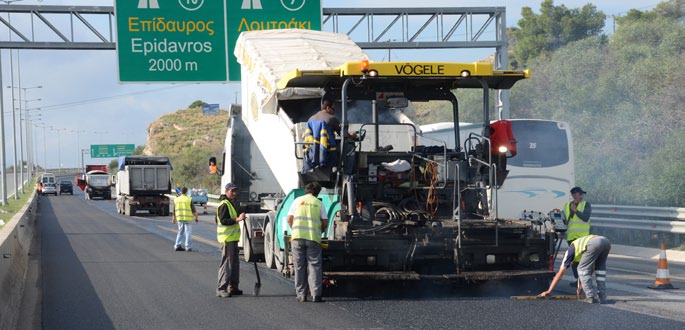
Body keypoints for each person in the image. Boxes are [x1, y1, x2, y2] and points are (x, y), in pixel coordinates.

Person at [538, 234, 611, 304]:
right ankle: (602, 297)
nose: (571, 264)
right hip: (605, 241)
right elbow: (589, 271)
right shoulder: (582, 252)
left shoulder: (569, 253)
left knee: (582, 269)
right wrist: (580, 287)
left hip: (594, 243)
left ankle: (590, 297)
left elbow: (560, 274)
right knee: (600, 270)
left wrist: (549, 291)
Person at [287, 182, 329, 303]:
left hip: (297, 238)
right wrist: (319, 231)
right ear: (317, 192)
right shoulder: (319, 203)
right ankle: (316, 295)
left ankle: (301, 295)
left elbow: (289, 218)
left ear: (306, 190)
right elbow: (325, 222)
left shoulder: (297, 201)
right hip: (313, 238)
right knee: (314, 265)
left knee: (299, 266)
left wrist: (294, 230)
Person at [216, 182, 246, 298]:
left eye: (235, 191)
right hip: (227, 240)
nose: (234, 193)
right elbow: (223, 221)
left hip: (233, 240)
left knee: (234, 264)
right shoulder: (224, 205)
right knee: (227, 265)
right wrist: (237, 219)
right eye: (232, 191)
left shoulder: (230, 203)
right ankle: (221, 288)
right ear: (226, 191)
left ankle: (233, 287)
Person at [563, 186, 592, 286]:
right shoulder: (567, 205)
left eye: (580, 194)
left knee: (581, 260)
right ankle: (578, 279)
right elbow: (565, 220)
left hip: (582, 238)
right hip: (571, 237)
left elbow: (585, 217)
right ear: (575, 195)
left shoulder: (586, 205)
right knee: (574, 260)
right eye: (579, 194)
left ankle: (582, 280)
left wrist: (576, 211)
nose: (581, 196)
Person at [172, 187, 198, 252]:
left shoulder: (176, 199)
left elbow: (174, 210)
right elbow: (193, 210)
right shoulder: (189, 199)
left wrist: (174, 218)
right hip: (188, 219)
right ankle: (188, 247)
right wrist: (196, 217)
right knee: (188, 232)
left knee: (180, 232)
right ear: (186, 192)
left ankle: (177, 245)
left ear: (181, 191)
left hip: (180, 218)